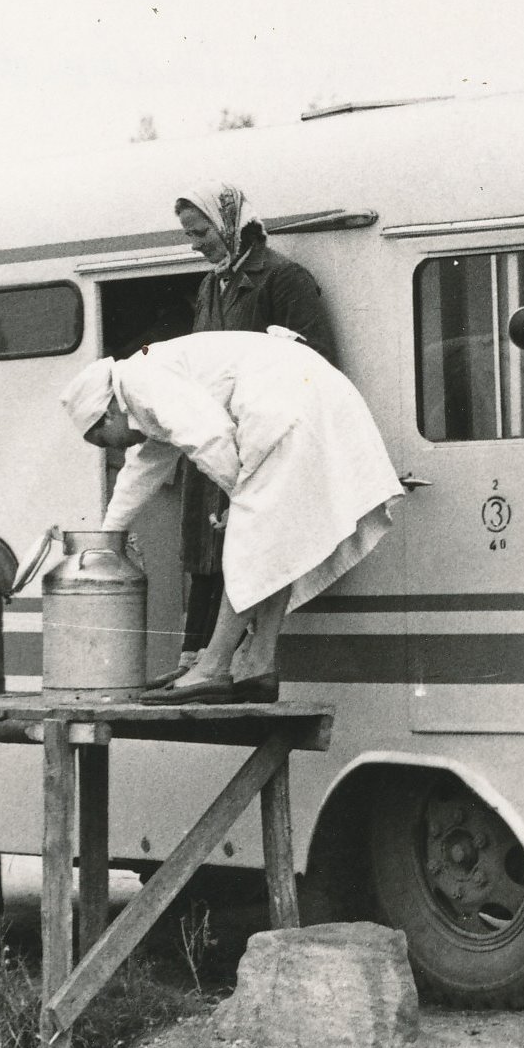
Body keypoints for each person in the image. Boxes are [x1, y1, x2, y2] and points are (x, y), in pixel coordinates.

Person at [60, 330, 401, 704]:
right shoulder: (141, 390)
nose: (114, 448)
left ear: (107, 413)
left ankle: (214, 667)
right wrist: (110, 535)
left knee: (254, 531)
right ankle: (259, 664)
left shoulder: (141, 383)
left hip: (289, 399)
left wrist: (239, 497)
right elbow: (141, 471)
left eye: (104, 440)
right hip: (304, 394)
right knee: (274, 539)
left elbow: (211, 437)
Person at [166, 184, 339, 689]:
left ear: (229, 223)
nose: (194, 244)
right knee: (207, 550)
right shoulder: (210, 286)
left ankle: (236, 663)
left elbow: (316, 364)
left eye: (200, 232)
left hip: (257, 442)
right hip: (213, 441)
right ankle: (196, 657)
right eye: (189, 235)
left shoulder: (283, 279)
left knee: (248, 548)